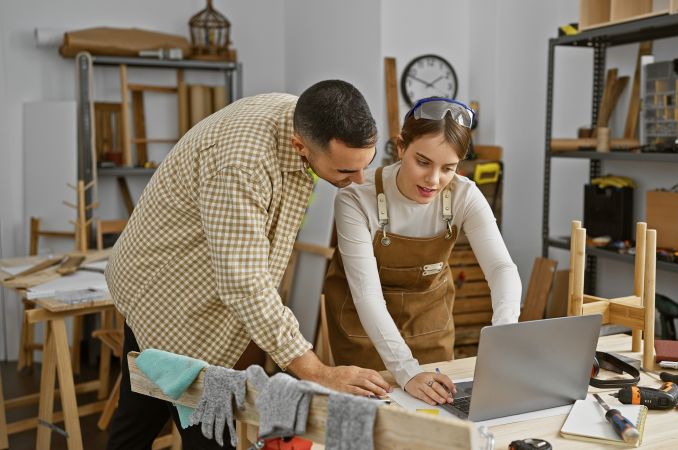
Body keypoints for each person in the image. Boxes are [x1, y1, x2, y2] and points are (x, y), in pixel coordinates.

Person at [105, 80, 392, 450]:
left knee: (139, 416)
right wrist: (315, 371)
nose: (358, 180)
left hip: (195, 279)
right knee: (207, 432)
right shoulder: (242, 165)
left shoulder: (305, 116)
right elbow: (244, 283)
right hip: (165, 292)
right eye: (344, 172)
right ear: (300, 145)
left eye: (364, 166)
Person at [323, 97, 522, 406]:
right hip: (363, 333)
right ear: (401, 147)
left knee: (437, 419)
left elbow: (502, 269)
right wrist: (406, 371)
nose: (433, 180)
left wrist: (505, 334)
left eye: (448, 168)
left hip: (431, 328)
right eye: (423, 162)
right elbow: (367, 296)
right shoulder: (355, 200)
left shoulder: (464, 195)